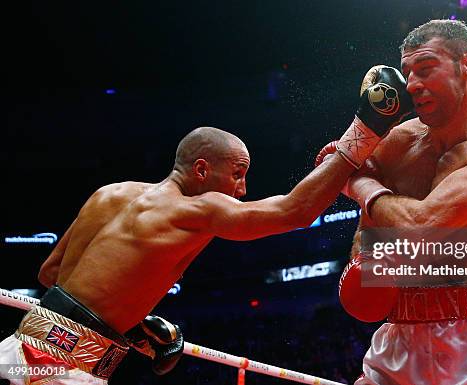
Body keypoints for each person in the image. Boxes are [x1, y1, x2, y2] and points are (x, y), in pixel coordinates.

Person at [0, 64, 412, 385]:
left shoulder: (109, 194)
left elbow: (50, 273)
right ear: (201, 169)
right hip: (59, 366)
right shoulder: (194, 210)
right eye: (237, 173)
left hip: (19, 346)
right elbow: (295, 212)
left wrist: (135, 325)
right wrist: (366, 130)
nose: (242, 188)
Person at [323, 20, 467, 385]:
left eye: (426, 69)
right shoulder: (397, 141)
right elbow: (357, 209)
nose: (413, 85)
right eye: (407, 73)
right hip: (398, 341)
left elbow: (420, 226)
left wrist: (362, 185)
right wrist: (362, 258)